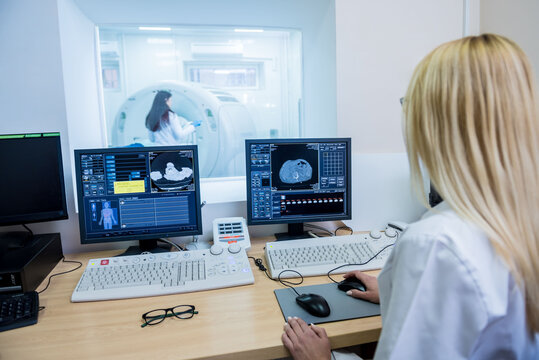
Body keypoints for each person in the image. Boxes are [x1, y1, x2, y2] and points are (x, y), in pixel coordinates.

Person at [282, 34, 539, 359]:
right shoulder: (522, 221)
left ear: (433, 122)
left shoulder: (435, 245)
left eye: (409, 104)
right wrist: (394, 291)